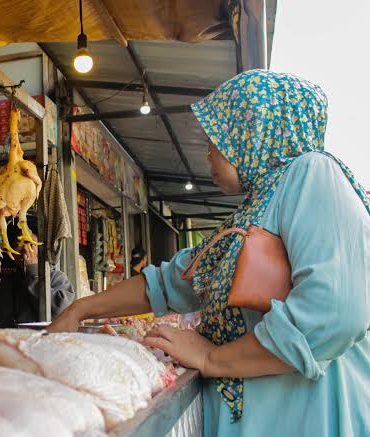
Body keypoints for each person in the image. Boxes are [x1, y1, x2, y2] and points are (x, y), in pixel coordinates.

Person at [49, 70, 370, 436]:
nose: (209, 154)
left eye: (216, 140)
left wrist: (210, 357)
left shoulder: (312, 174)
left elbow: (335, 313)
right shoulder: (252, 211)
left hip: (307, 418)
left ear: (252, 133)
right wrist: (79, 309)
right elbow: (172, 283)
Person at [0, 233, 75, 327]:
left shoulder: (56, 278)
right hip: (7, 339)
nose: (25, 250)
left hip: (40, 339)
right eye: (20, 244)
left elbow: (61, 310)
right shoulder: (3, 282)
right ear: (12, 252)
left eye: (31, 244)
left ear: (41, 250)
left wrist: (33, 272)